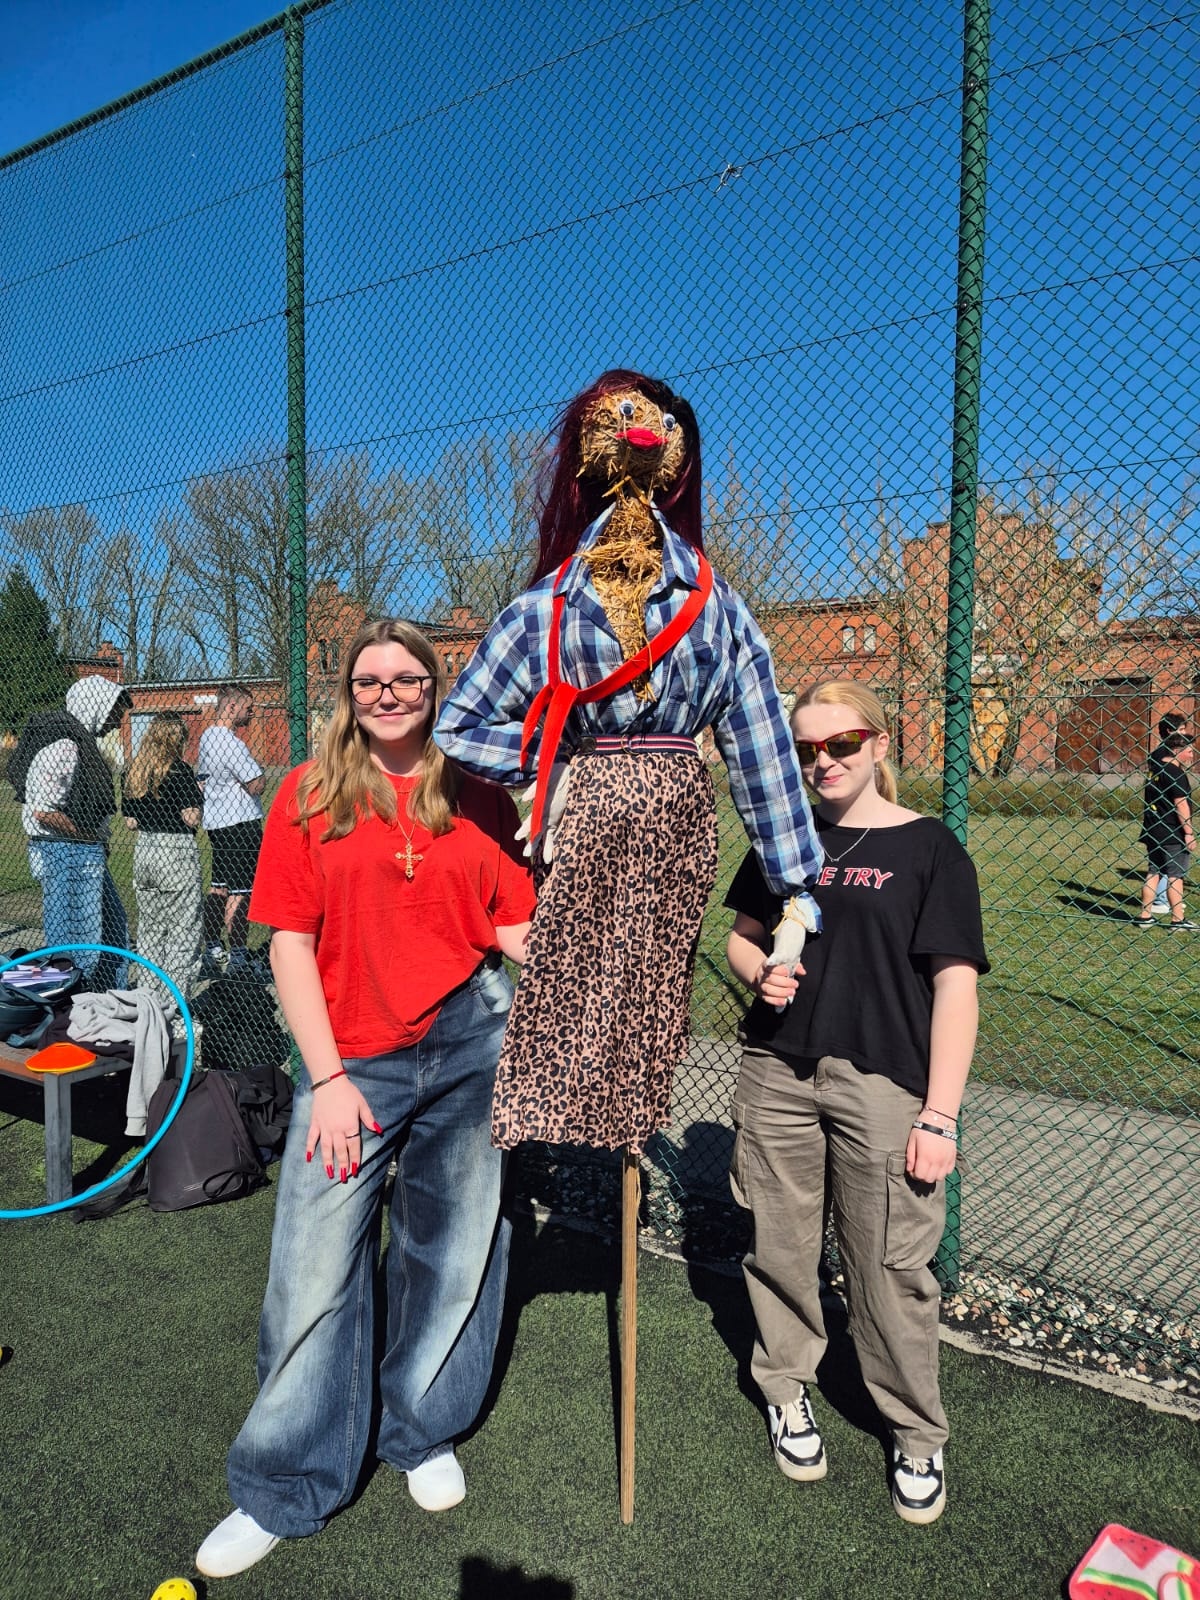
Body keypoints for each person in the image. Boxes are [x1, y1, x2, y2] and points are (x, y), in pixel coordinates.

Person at [195, 619, 535, 1581]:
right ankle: (285, 1480)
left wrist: (605, 948)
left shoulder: (476, 793)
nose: (388, 694)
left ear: (435, 686)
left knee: (454, 1249)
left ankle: (420, 1428)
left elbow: (514, 925)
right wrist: (331, 1079)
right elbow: (290, 944)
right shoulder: (309, 795)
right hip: (351, 1057)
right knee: (313, 1269)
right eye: (370, 680)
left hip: (469, 1040)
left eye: (406, 678)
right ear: (349, 694)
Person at [435, 369, 822, 1154]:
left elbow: (759, 743)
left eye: (660, 424)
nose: (644, 432)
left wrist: (795, 883)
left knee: (652, 988)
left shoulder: (715, 605)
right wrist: (552, 765)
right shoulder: (545, 606)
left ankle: (627, 1131)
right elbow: (461, 723)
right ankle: (549, 1127)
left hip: (679, 818)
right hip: (583, 813)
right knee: (566, 974)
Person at [724, 678, 988, 1525]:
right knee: (780, 1245)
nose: (824, 761)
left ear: (878, 743)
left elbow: (955, 987)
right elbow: (742, 938)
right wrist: (759, 973)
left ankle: (915, 1432)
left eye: (841, 744)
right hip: (777, 1071)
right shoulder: (784, 836)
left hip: (883, 1083)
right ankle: (785, 1388)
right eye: (806, 749)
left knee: (890, 1269)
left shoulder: (930, 848)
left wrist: (939, 1115)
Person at [9, 674, 132, 989]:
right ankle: (74, 1003)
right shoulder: (64, 745)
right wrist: (88, 836)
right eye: (114, 711)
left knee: (113, 931)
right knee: (78, 944)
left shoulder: (80, 742)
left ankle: (109, 999)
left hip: (81, 851)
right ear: (96, 706)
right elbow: (43, 811)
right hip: (66, 852)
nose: (117, 721)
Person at [122, 712, 204, 1014]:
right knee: (183, 931)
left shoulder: (134, 771)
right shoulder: (180, 771)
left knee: (151, 930)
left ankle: (147, 1001)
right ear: (176, 740)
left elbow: (130, 822)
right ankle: (173, 1006)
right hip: (175, 850)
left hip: (145, 850)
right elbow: (190, 817)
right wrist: (199, 797)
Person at [197, 684, 265, 973]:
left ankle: (213, 947)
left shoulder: (207, 737)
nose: (251, 713)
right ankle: (238, 956)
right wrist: (259, 775)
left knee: (219, 887)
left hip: (217, 823)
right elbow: (256, 784)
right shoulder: (231, 743)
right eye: (248, 708)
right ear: (232, 707)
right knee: (240, 891)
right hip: (240, 824)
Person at [1137, 728, 1196, 930]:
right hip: (1172, 831)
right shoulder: (1176, 773)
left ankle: (1145, 916)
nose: (1192, 755)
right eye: (1189, 751)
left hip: (1153, 829)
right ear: (1176, 750)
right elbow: (1181, 805)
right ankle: (1178, 920)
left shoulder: (1156, 769)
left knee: (1154, 871)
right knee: (1175, 875)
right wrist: (1189, 833)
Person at [1143, 714, 1188, 917]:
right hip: (1168, 823)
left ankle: (1152, 908)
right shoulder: (1165, 759)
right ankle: (1164, 903)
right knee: (1172, 870)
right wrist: (1188, 831)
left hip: (1156, 822)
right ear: (1170, 731)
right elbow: (1178, 799)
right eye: (1182, 729)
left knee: (1157, 868)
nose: (1185, 734)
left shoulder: (1160, 756)